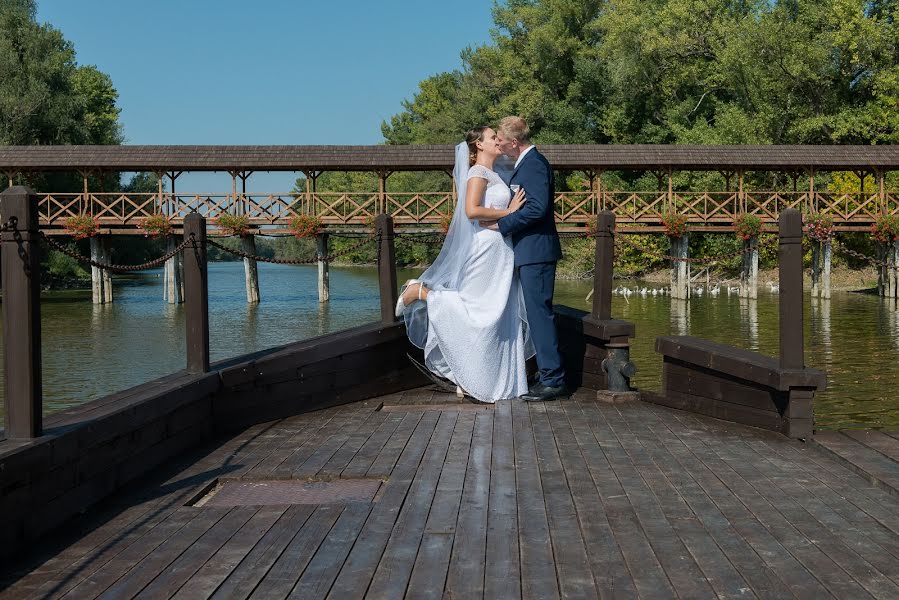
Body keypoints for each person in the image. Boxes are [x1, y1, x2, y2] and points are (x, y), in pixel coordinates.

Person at [395, 126, 534, 403]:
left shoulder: (497, 174)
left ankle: (473, 378)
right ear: (478, 146)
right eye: (492, 136)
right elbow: (472, 211)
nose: (498, 140)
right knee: (478, 311)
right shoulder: (477, 173)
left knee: (498, 315)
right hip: (485, 247)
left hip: (502, 249)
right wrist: (510, 211)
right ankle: (421, 293)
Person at [494, 116, 568, 402]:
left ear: (514, 142)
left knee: (539, 315)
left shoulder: (534, 164)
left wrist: (502, 226)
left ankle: (554, 381)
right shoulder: (526, 163)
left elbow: (537, 209)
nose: (498, 142)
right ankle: (547, 373)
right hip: (530, 251)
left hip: (536, 251)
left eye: (500, 138)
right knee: (536, 315)